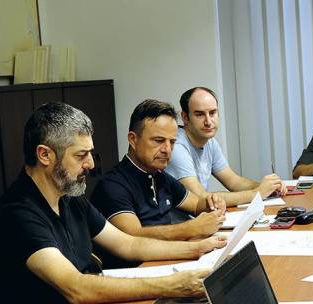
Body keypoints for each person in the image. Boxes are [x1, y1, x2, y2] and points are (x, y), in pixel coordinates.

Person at [0, 102, 227, 304]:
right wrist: (170, 285)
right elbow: (75, 287)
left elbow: (128, 244)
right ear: (45, 155)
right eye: (80, 155)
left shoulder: (69, 196)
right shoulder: (17, 214)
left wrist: (196, 248)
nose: (89, 163)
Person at [91, 99, 226, 241]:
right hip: (141, 263)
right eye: (158, 141)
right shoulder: (112, 185)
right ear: (133, 139)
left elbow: (197, 205)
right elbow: (133, 237)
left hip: (169, 257)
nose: (167, 150)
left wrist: (212, 203)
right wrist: (191, 228)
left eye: (172, 142)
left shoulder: (160, 175)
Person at [165, 86, 285, 207]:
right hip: (179, 221)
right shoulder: (176, 146)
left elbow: (234, 182)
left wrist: (269, 187)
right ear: (185, 117)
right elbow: (200, 197)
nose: (208, 122)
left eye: (212, 113)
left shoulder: (210, 142)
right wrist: (257, 193)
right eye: (199, 114)